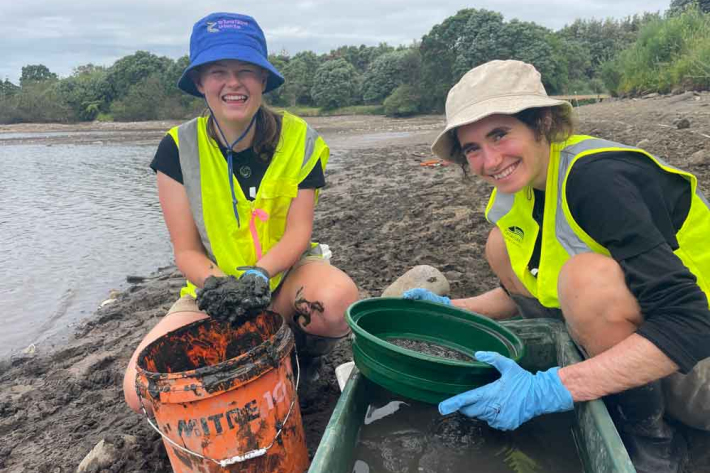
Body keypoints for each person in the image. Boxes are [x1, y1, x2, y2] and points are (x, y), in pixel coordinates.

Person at [403, 60, 710, 473]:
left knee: (587, 279)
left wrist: (548, 390)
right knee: (501, 247)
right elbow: (542, 284)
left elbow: (690, 323)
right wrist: (452, 310)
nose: (490, 161)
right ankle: (578, 372)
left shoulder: (597, 181)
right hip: (655, 342)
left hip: (695, 361)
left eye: (499, 134)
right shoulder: (521, 192)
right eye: (472, 148)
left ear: (542, 124)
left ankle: (654, 442)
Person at [123, 12, 359, 412]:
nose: (233, 83)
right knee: (140, 389)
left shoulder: (301, 140)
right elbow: (186, 250)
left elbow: (298, 233)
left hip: (285, 279)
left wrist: (259, 275)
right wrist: (222, 288)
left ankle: (306, 357)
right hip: (213, 292)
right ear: (199, 82)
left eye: (246, 71)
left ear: (263, 80)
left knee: (336, 303)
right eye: (218, 71)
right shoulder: (176, 149)